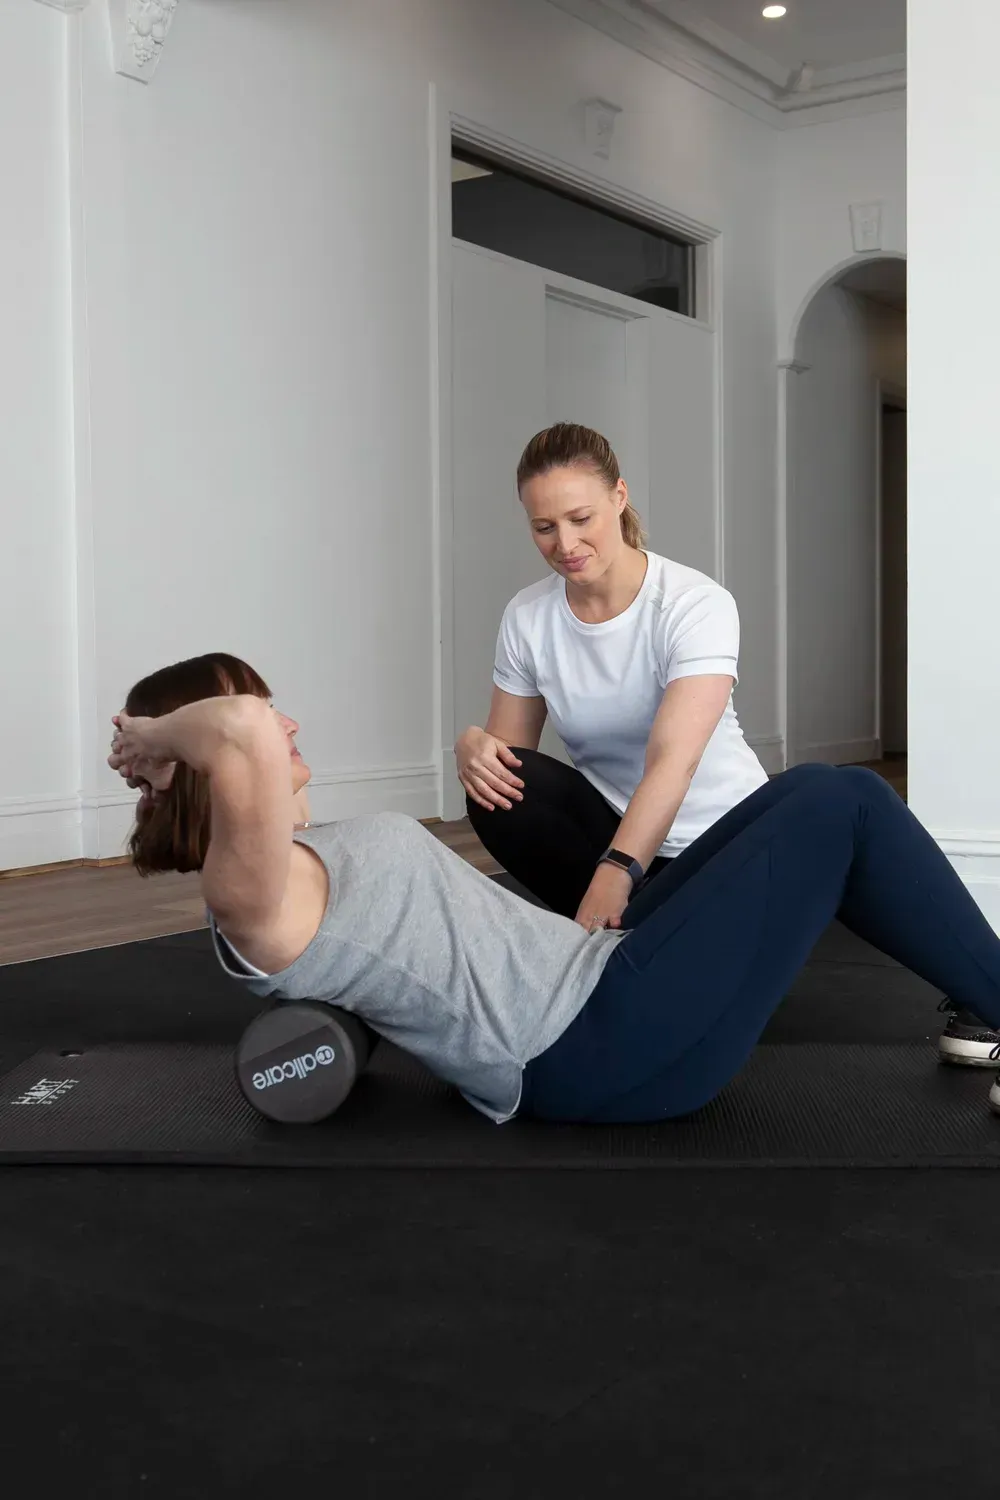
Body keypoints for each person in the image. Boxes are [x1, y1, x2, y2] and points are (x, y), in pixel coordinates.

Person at [110, 651, 1000, 1126]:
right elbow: (241, 733)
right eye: (263, 707)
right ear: (197, 760)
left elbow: (242, 733)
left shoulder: (294, 859)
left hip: (598, 977)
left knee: (803, 795)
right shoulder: (248, 891)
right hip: (594, 1048)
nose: (284, 720)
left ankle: (983, 1008)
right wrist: (153, 731)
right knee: (838, 798)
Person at [454, 422, 768, 935]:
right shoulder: (527, 615)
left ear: (619, 497)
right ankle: (621, 927)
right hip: (613, 831)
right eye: (544, 527)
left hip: (723, 838)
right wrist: (473, 747)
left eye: (581, 518)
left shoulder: (692, 602)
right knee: (499, 787)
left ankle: (630, 915)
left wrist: (617, 870)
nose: (566, 544)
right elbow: (513, 763)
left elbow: (674, 761)